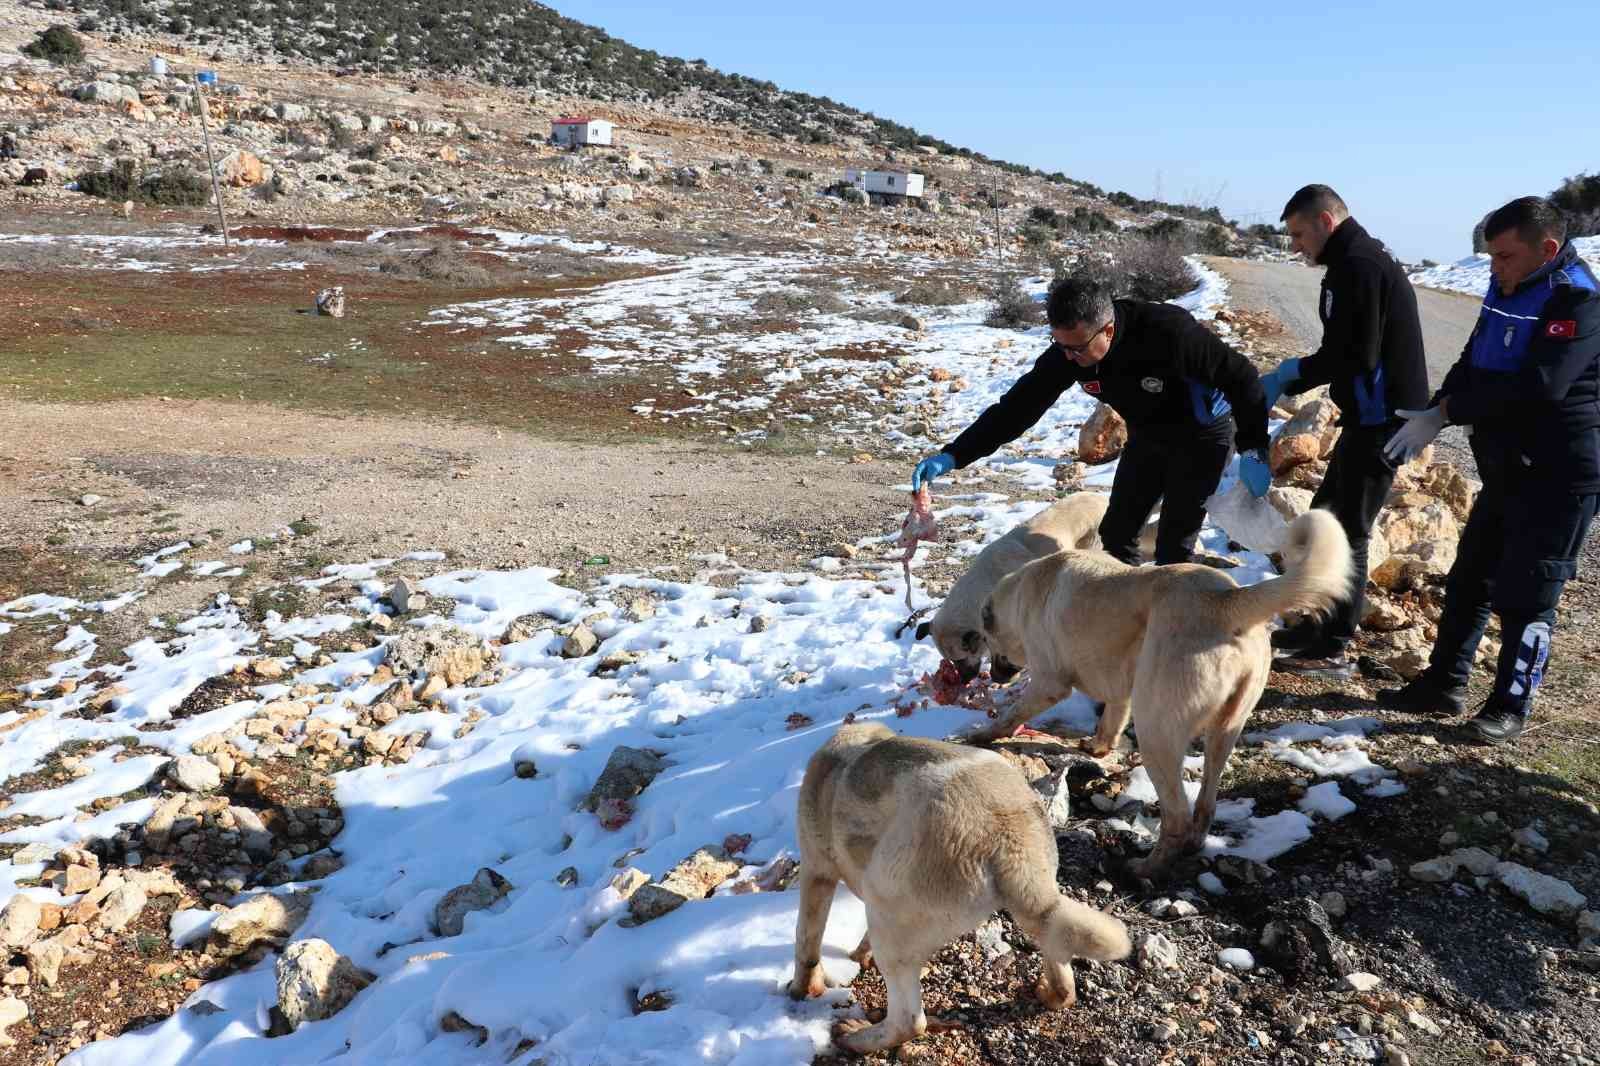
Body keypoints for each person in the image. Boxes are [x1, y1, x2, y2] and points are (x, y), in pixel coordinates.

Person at [1379, 197, 1600, 742]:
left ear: (1546, 249)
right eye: (1490, 255)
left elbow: (1542, 387)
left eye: (1503, 255)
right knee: (1470, 577)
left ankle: (1509, 707)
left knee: (1530, 592)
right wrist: (1439, 405)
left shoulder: (1578, 298)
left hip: (1560, 471)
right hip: (1506, 466)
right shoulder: (1508, 286)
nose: (1493, 266)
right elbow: (1474, 358)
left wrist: (1453, 411)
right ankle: (1443, 684)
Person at [912, 276, 1271, 567]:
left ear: (1108, 331)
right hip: (1148, 434)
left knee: (1173, 550)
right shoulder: (1069, 351)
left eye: (1078, 348)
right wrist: (954, 455)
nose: (1069, 356)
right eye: (1060, 345)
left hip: (1203, 435)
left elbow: (1242, 377)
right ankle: (1124, 626)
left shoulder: (1169, 333)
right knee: (1116, 537)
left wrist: (1254, 447)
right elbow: (1017, 408)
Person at [1256, 185, 1429, 679]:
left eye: (1299, 233)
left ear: (1326, 223)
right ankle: (1319, 624)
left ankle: (1332, 640)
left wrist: (1293, 373)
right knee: (1326, 517)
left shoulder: (1362, 267)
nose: (1295, 246)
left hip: (1384, 420)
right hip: (1369, 417)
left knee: (1346, 528)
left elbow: (1355, 354)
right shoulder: (1352, 262)